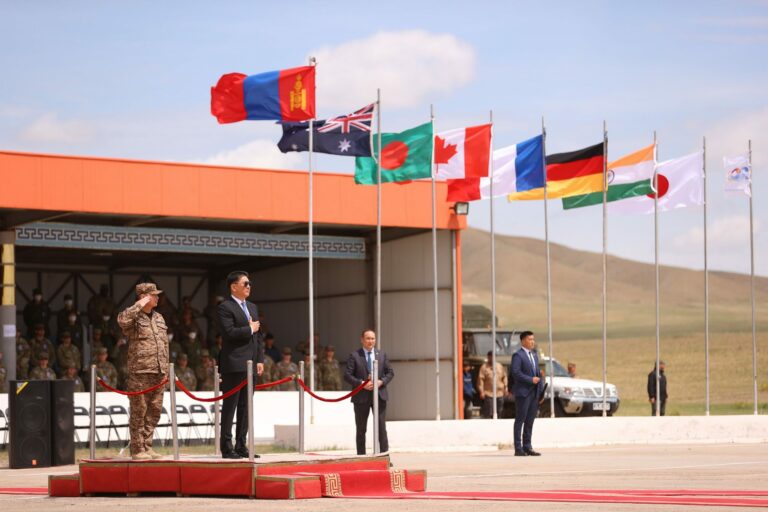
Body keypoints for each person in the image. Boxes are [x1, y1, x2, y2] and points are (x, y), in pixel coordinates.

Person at [117, 282, 168, 461]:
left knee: (154, 411)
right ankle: (137, 449)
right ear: (143, 297)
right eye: (153, 295)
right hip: (140, 372)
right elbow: (122, 320)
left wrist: (166, 369)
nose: (157, 297)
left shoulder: (159, 317)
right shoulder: (134, 317)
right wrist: (138, 305)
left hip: (159, 371)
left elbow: (164, 344)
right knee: (139, 412)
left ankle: (147, 446)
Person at [217, 270, 264, 459]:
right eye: (245, 283)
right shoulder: (225, 307)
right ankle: (227, 447)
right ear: (233, 286)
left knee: (246, 407)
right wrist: (249, 329)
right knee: (231, 406)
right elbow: (228, 333)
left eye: (249, 283)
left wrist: (260, 359)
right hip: (234, 364)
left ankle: (241, 445)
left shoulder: (252, 307)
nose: (249, 286)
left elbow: (258, 336)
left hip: (251, 365)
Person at [344, 329, 395, 455]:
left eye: (373, 338)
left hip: (379, 396)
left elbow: (390, 372)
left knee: (381, 428)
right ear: (362, 340)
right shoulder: (355, 355)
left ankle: (384, 457)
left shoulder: (381, 355)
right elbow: (347, 375)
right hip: (361, 397)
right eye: (368, 338)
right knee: (361, 429)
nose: (370, 341)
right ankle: (361, 457)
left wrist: (381, 381)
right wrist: (362, 384)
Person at [510, 331, 542, 456]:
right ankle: (518, 448)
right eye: (530, 339)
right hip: (523, 393)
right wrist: (530, 380)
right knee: (520, 420)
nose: (532, 342)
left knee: (530, 421)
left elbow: (538, 374)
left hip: (534, 394)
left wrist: (540, 393)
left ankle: (527, 447)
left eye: (533, 339)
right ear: (523, 341)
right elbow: (516, 373)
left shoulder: (534, 355)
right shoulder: (518, 356)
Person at [477, 350, 507, 419]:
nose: (492, 358)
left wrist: (505, 387)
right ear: (488, 357)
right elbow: (480, 380)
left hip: (499, 393)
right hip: (488, 393)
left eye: (493, 357)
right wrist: (481, 391)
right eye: (490, 357)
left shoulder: (499, 366)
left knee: (499, 410)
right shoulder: (484, 367)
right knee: (489, 412)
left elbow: (504, 377)